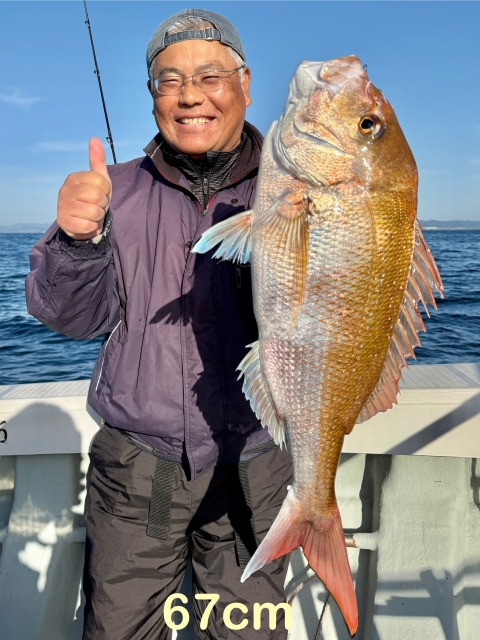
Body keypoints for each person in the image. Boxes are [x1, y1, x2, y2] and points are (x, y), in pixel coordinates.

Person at [26, 8, 293, 640]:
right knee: (119, 628)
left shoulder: (293, 192)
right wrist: (77, 241)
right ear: (152, 96)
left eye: (209, 76)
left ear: (245, 84)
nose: (190, 96)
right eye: (169, 81)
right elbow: (73, 317)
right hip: (139, 468)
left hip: (255, 464)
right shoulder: (113, 190)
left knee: (249, 630)